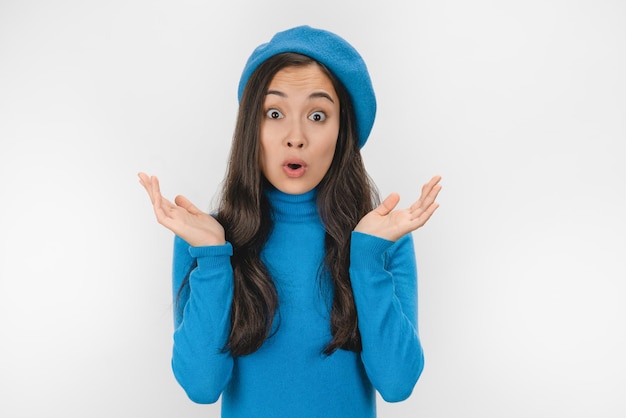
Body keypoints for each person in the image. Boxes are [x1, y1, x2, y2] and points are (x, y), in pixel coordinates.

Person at [138, 25, 441, 418]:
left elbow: (398, 384)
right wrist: (213, 258)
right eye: (274, 113)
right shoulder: (205, 240)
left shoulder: (381, 240)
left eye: (317, 115)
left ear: (342, 131)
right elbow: (201, 387)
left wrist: (366, 260)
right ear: (252, 128)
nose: (295, 137)